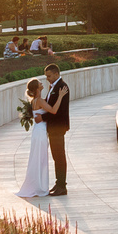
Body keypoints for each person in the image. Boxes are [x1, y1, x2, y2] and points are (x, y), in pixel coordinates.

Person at [15, 80, 55, 198]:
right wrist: (61, 97)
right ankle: (40, 187)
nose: (42, 83)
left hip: (38, 131)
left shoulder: (34, 101)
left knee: (38, 158)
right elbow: (53, 110)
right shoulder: (40, 101)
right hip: (41, 132)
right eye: (40, 83)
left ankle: (38, 185)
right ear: (37, 88)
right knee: (41, 159)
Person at [39, 62, 70, 195]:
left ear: (56, 74)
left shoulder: (61, 87)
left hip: (58, 127)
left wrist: (43, 118)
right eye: (46, 76)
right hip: (53, 127)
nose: (47, 78)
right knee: (56, 156)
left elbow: (57, 111)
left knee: (59, 156)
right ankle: (59, 183)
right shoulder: (53, 86)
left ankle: (62, 186)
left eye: (49, 76)